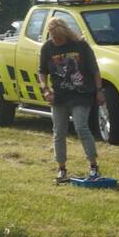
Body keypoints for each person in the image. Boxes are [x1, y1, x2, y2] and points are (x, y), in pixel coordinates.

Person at [37, 18, 103, 183]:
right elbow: (42, 71)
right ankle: (61, 169)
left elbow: (94, 70)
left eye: (59, 38)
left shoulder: (81, 46)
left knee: (81, 127)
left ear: (65, 34)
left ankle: (93, 166)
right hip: (59, 96)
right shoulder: (47, 48)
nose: (56, 41)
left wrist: (99, 90)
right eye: (53, 38)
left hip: (82, 94)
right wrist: (45, 89)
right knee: (59, 132)